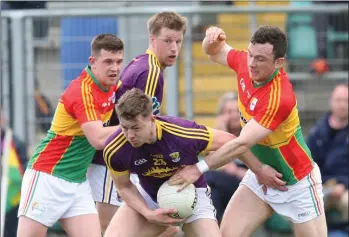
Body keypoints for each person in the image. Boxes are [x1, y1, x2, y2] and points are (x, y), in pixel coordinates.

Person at [169, 25, 328, 237]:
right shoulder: (246, 62)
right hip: (259, 177)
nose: (252, 63)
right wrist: (211, 38)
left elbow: (242, 143)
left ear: (278, 63)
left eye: (261, 59)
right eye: (251, 55)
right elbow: (213, 51)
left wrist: (198, 169)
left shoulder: (279, 97)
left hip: (296, 183)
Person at [102, 88, 286, 237]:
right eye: (125, 128)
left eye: (135, 128)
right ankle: (167, 229)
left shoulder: (182, 133)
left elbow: (233, 142)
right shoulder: (114, 148)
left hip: (193, 195)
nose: (130, 135)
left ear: (152, 119)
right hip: (151, 196)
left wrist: (259, 169)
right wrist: (147, 213)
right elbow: (124, 187)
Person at [87, 11, 187, 235]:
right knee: (110, 231)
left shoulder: (143, 64)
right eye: (167, 41)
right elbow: (140, 126)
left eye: (178, 41)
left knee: (164, 230)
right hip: (112, 162)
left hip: (114, 159)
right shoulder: (150, 72)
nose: (174, 48)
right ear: (152, 39)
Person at [17, 34, 124, 237]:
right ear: (93, 62)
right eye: (108, 61)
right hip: (48, 177)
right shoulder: (82, 90)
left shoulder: (113, 86)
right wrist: (133, 126)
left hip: (77, 182)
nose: (115, 68)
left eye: (119, 61)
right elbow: (99, 139)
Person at [307, 83, 348, 237]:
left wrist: (343, 184)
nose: (342, 105)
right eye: (339, 100)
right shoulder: (318, 131)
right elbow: (309, 163)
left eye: (346, 100)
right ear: (331, 102)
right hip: (321, 187)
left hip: (345, 188)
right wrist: (320, 185)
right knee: (303, 208)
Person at [204, 92, 247, 224]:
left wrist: (235, 171)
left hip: (244, 186)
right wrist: (221, 130)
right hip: (221, 187)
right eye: (228, 111)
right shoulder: (215, 137)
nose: (234, 115)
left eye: (236, 111)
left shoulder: (250, 136)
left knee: (207, 179)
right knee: (212, 191)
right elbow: (215, 162)